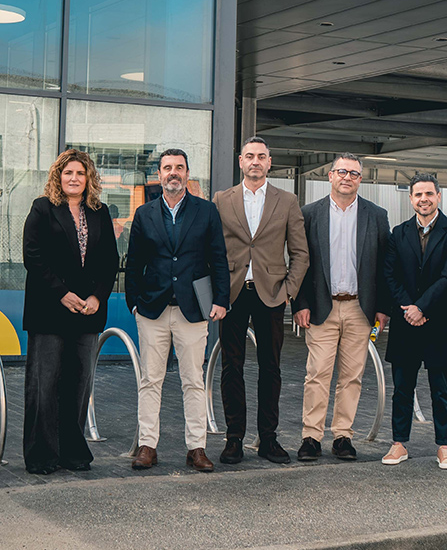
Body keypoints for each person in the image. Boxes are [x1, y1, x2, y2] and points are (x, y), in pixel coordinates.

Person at [124, 149, 230, 472]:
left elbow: (219, 258)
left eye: (179, 167)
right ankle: (147, 446)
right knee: (150, 380)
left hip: (192, 311)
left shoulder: (206, 211)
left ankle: (196, 448)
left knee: (193, 381)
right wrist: (133, 302)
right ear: (159, 174)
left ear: (187, 174)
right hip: (152, 310)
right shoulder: (144, 214)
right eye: (168, 167)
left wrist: (221, 300)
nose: (173, 172)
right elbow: (134, 263)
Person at [210, 136, 309, 464]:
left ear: (269, 162)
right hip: (233, 293)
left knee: (271, 368)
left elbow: (300, 253)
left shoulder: (287, 201)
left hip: (271, 294)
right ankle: (234, 438)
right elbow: (212, 249)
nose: (255, 161)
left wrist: (288, 291)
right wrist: (216, 291)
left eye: (261, 156)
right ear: (241, 161)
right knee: (231, 368)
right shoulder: (222, 200)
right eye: (249, 156)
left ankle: (268, 438)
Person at [21, 149, 120, 475]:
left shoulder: (100, 212)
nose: (74, 178)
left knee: (78, 386)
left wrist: (97, 297)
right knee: (44, 385)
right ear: (58, 177)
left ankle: (72, 452)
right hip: (50, 309)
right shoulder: (42, 208)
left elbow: (110, 261)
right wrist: (62, 294)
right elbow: (33, 256)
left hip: (87, 312)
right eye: (68, 173)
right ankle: (42, 455)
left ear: (88, 178)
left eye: (80, 173)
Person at [294, 154, 391, 462]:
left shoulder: (376, 215)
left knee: (352, 376)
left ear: (360, 179)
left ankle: (342, 436)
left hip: (360, 309)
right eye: (342, 172)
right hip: (321, 307)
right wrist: (300, 303)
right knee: (317, 373)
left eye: (354, 173)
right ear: (330, 176)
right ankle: (311, 437)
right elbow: (299, 261)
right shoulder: (310, 214)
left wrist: (383, 308)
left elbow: (385, 265)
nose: (347, 177)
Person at [381, 173, 447, 470]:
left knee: (441, 390)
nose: (424, 199)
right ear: (411, 199)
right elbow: (390, 275)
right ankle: (398, 444)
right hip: (406, 322)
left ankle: (444, 446)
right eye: (418, 194)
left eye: (429, 194)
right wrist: (409, 308)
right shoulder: (399, 233)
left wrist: (423, 308)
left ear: (438, 196)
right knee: (402, 389)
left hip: (440, 323)